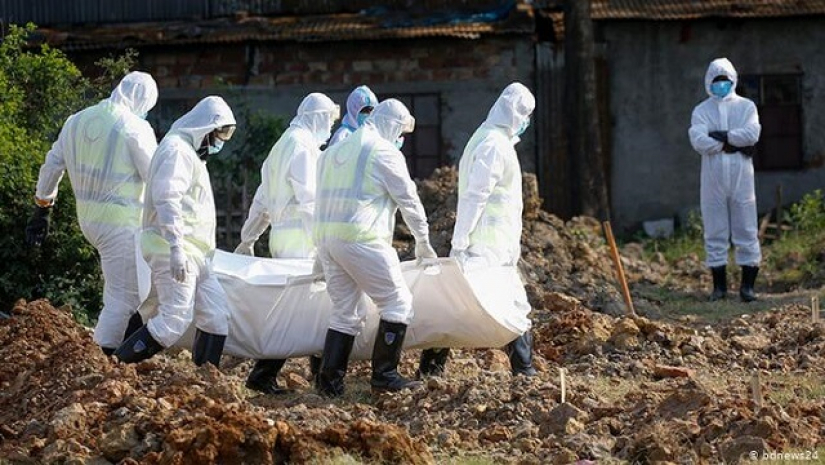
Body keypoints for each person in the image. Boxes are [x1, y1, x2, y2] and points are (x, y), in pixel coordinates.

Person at [26, 71, 159, 356]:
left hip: (89, 222)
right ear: (143, 100)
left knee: (126, 291)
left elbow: (52, 166)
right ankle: (104, 357)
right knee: (124, 298)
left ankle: (120, 358)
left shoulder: (76, 121)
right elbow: (157, 176)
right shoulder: (134, 127)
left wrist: (42, 208)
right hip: (121, 225)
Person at [314, 98, 437, 397]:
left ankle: (329, 384)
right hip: (362, 239)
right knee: (398, 303)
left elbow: (319, 201)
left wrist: (319, 254)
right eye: (401, 132)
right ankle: (385, 375)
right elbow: (408, 199)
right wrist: (423, 242)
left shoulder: (335, 150)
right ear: (393, 125)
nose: (401, 140)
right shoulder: (382, 151)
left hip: (328, 240)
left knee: (344, 312)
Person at [417, 82, 537, 378]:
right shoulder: (494, 145)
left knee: (470, 306)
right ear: (512, 113)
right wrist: (461, 240)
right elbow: (475, 195)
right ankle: (524, 369)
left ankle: (432, 369)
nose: (526, 122)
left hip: (492, 246)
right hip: (485, 246)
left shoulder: (490, 139)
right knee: (490, 306)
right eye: (524, 114)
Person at [114, 96, 237, 367]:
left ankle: (206, 382)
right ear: (204, 129)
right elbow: (167, 198)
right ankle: (117, 369)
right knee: (173, 319)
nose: (220, 142)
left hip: (197, 253)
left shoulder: (189, 154)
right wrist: (176, 247)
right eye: (219, 134)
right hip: (172, 247)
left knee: (216, 317)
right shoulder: (176, 151)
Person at [234, 93, 339, 394]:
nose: (330, 128)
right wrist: (322, 242)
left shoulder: (281, 146)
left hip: (282, 237)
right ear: (318, 117)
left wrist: (248, 238)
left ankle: (277, 374)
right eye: (329, 120)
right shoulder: (302, 148)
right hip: (302, 240)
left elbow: (261, 199)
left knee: (300, 308)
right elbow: (309, 201)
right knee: (311, 307)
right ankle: (313, 378)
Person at [689, 58, 762, 302]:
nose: (721, 84)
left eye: (725, 80)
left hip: (742, 177)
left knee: (747, 228)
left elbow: (752, 134)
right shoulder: (701, 110)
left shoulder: (746, 107)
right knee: (714, 228)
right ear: (709, 82)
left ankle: (747, 287)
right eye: (716, 80)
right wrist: (732, 142)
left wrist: (719, 137)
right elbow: (699, 141)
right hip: (713, 180)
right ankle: (719, 288)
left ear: (733, 80)